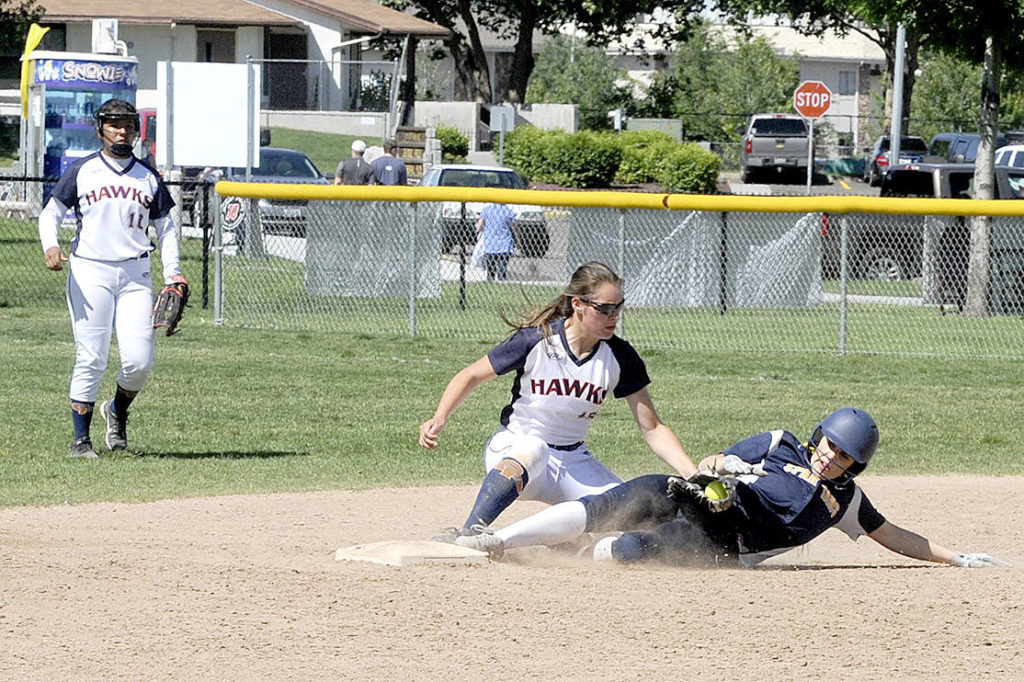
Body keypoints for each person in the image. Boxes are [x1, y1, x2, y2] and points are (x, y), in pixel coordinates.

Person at [455, 407, 1010, 570]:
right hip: (708, 499)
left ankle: (562, 551)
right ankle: (495, 540)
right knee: (631, 497)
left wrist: (956, 557)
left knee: (633, 549)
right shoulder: (780, 442)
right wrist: (722, 471)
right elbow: (718, 459)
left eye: (843, 455)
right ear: (817, 435)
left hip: (727, 546)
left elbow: (897, 537)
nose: (829, 455)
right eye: (828, 443)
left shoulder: (845, 503)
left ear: (854, 466)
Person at [420, 261, 697, 542]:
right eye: (605, 309)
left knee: (622, 511)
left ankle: (565, 544)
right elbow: (471, 376)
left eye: (618, 307)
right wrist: (440, 417)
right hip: (516, 449)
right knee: (534, 448)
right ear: (578, 304)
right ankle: (470, 532)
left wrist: (694, 474)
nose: (614, 316)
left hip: (573, 460)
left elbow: (652, 428)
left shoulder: (620, 356)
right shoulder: (537, 340)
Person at [38, 98, 186, 458]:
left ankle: (117, 410)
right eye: (114, 124)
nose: (122, 131)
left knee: (139, 361)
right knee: (92, 357)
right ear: (100, 128)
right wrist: (50, 247)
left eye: (128, 125)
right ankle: (80, 441)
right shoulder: (83, 170)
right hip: (90, 269)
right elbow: (50, 213)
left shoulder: (147, 176)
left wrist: (174, 272)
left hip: (136, 272)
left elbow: (166, 229)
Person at [475, 203, 515, 280]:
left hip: (490, 245)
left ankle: (490, 282)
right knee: (502, 270)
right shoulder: (508, 211)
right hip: (505, 245)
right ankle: (501, 282)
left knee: (490, 271)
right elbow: (514, 227)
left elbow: (479, 227)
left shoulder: (487, 210)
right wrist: (518, 240)